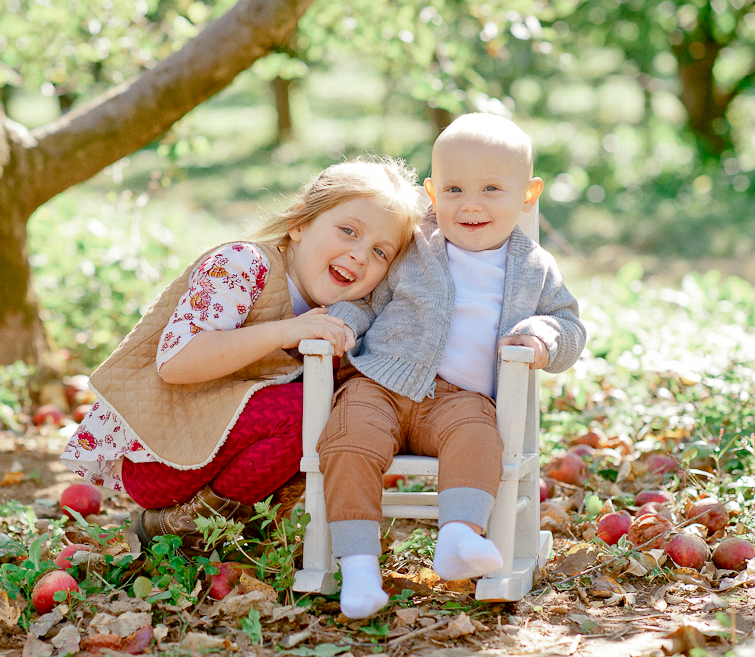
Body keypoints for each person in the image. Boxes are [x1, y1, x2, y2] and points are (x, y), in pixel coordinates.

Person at [59, 156, 422, 555]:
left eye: (380, 252)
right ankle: (190, 525)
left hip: (217, 454)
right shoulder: (243, 265)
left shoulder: (345, 313)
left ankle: (223, 528)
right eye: (348, 231)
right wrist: (281, 332)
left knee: (335, 410)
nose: (359, 255)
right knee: (309, 407)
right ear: (299, 224)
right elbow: (176, 361)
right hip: (162, 456)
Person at [321, 113, 588, 619]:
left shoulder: (533, 267)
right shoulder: (413, 247)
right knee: (349, 439)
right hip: (378, 382)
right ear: (431, 192)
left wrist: (543, 338)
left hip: (460, 399)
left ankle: (459, 538)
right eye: (454, 189)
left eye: (492, 188)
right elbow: (366, 297)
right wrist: (340, 322)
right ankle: (358, 568)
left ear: (527, 194)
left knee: (480, 436)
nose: (470, 204)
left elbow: (568, 324)